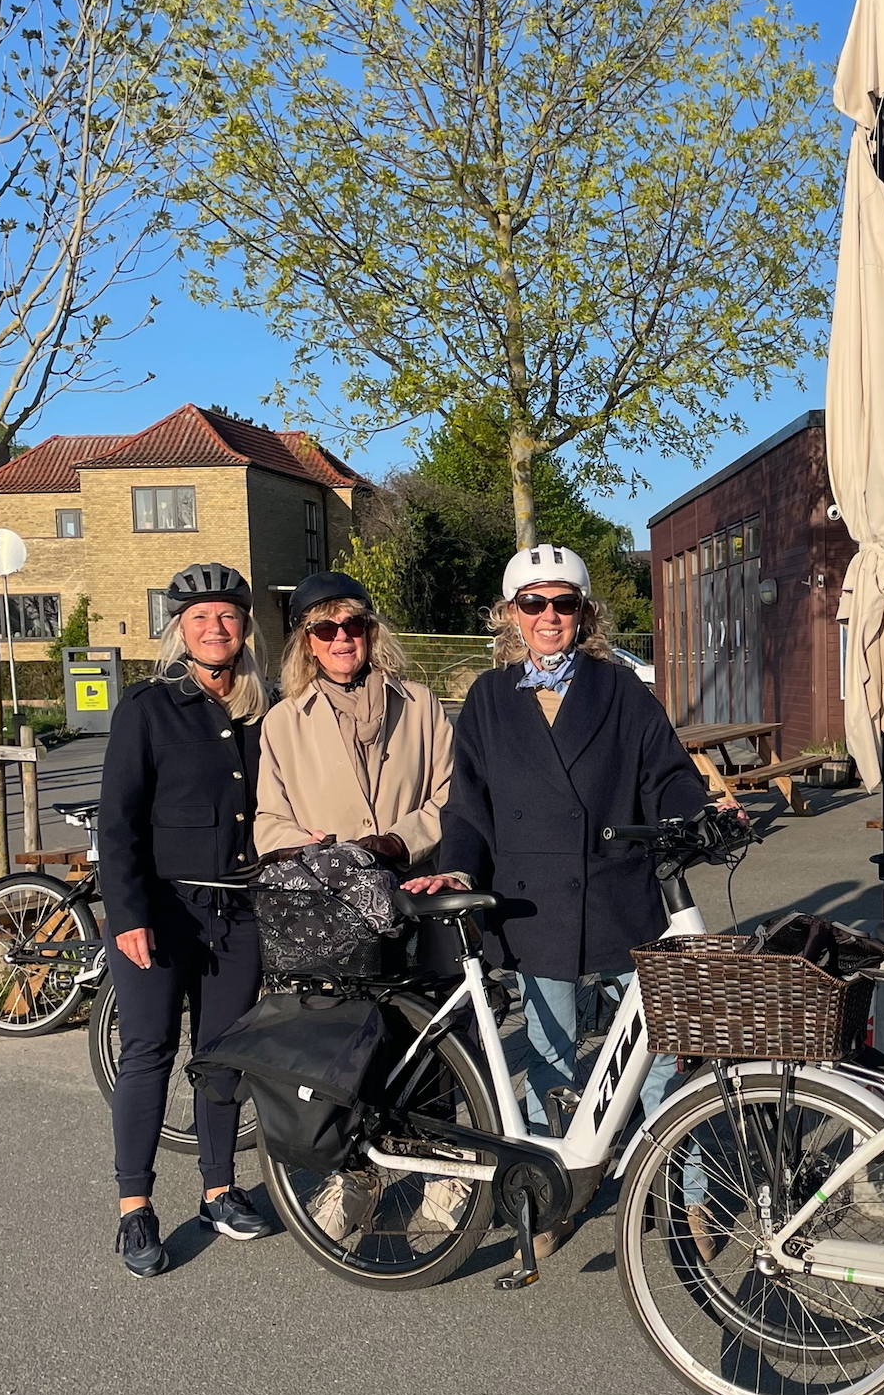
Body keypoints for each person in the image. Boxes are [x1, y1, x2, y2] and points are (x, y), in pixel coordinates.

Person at [409, 543, 709, 1234]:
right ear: (512, 615)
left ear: (584, 613)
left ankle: (685, 1189)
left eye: (563, 603)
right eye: (533, 603)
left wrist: (695, 814)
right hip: (533, 902)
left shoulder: (622, 690)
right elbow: (468, 806)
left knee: (659, 1057)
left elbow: (668, 776)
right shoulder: (488, 699)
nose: (549, 616)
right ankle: (559, 1192)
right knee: (551, 1061)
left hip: (620, 894)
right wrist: (458, 867)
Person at [98, 562, 275, 1277]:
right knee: (148, 1052)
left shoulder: (264, 709)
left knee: (222, 1056)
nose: (215, 627)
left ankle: (218, 1191)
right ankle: (134, 1207)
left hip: (238, 909)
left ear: (245, 627)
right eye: (200, 616)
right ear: (179, 629)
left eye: (227, 615)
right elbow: (118, 823)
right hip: (162, 910)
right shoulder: (147, 707)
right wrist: (128, 914)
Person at [251, 572, 454, 871]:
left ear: (370, 633)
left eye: (353, 625)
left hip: (411, 884)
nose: (342, 637)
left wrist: (402, 841)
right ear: (308, 644)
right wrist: (309, 850)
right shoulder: (283, 721)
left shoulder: (419, 704)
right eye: (325, 629)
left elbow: (452, 792)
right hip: (328, 890)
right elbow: (271, 818)